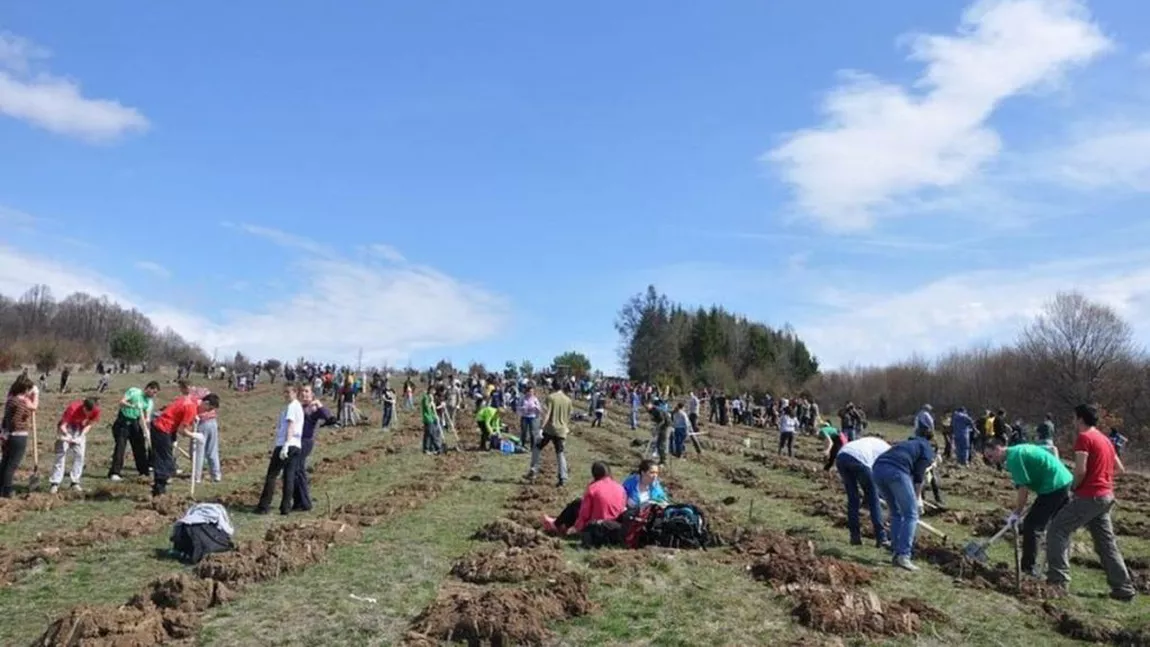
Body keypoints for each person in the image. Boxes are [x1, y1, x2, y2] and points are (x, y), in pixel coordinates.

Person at [1046, 404, 1137, 601]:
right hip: (1106, 497)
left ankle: (1057, 582)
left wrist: (1073, 487)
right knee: (1106, 544)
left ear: (1080, 419)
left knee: (1057, 530)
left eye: (1074, 418)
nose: (1073, 422)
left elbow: (1080, 470)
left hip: (1090, 496)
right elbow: (1120, 469)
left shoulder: (1084, 438)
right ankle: (1123, 588)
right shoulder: (1105, 440)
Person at [983, 438, 1072, 577]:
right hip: (1064, 481)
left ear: (999, 449)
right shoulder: (1019, 448)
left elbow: (1023, 490)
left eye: (991, 456)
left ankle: (1028, 569)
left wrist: (1017, 513)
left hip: (1053, 488)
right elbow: (1052, 449)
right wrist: (1054, 469)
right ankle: (1058, 569)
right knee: (1057, 527)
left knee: (1032, 525)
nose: (991, 460)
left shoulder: (1014, 459)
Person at [872, 429, 935, 571]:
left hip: (878, 469)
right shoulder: (927, 449)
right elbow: (918, 477)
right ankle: (903, 556)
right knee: (911, 514)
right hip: (896, 471)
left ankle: (895, 551)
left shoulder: (908, 443)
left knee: (896, 512)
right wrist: (918, 500)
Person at [257, 384, 305, 515]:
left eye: (288, 392)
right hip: (296, 445)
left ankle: (264, 506)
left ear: (295, 392)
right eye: (284, 392)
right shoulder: (298, 407)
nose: (285, 395)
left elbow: (291, 424)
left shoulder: (292, 407)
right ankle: (285, 508)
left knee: (272, 475)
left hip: (286, 444)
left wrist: (286, 444)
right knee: (289, 476)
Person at [543, 461, 627, 536]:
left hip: (594, 525)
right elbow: (622, 509)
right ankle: (560, 523)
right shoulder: (620, 488)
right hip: (613, 525)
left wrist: (576, 528)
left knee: (576, 504)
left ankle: (556, 524)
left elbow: (584, 513)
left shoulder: (593, 488)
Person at [835, 435, 890, 547]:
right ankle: (881, 538)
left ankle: (855, 537)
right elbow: (881, 475)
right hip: (861, 460)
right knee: (873, 500)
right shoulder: (889, 453)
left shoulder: (876, 443)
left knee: (853, 499)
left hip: (842, 456)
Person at [150, 381, 201, 496]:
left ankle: (161, 484)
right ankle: (159, 489)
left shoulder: (186, 400)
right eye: (207, 410)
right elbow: (181, 431)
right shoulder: (191, 407)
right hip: (162, 428)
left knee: (165, 458)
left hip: (165, 427)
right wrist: (195, 435)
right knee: (164, 459)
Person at [295, 385, 336, 512]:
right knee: (293, 472)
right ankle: (298, 502)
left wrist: (320, 405)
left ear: (312, 394)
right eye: (302, 391)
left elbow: (331, 419)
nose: (304, 394)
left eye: (307, 391)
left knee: (299, 469)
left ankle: (305, 503)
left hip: (306, 441)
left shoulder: (314, 409)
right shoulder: (297, 407)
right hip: (294, 441)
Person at [108, 381, 159, 481]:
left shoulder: (149, 402)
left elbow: (146, 417)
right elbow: (121, 402)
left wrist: (146, 430)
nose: (154, 395)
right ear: (148, 388)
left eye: (156, 393)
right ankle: (115, 473)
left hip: (135, 422)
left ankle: (144, 472)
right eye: (154, 392)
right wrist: (132, 406)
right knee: (120, 447)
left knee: (140, 447)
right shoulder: (134, 392)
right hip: (123, 421)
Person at [49, 397, 101, 493]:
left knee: (80, 455)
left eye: (91, 412)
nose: (89, 414)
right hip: (67, 427)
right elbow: (63, 425)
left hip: (79, 429)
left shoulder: (96, 410)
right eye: (87, 412)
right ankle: (55, 483)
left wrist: (81, 436)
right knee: (61, 454)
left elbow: (89, 424)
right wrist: (67, 436)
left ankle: (75, 482)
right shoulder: (73, 408)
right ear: (84, 408)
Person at [526, 383, 572, 487]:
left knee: (537, 447)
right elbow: (569, 416)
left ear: (553, 387)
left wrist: (541, 428)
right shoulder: (568, 400)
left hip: (549, 429)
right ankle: (563, 477)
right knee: (560, 453)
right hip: (561, 430)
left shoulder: (551, 397)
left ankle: (534, 469)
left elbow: (547, 414)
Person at [0, 375, 38, 497]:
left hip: (8, 435)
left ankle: (1, 488)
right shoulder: (21, 402)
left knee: (5, 463)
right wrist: (36, 394)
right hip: (18, 436)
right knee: (12, 465)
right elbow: (34, 407)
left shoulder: (11, 399)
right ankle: (7, 490)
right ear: (25, 389)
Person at [196, 393, 222, 483]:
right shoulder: (197, 403)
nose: (211, 409)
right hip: (208, 423)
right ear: (206, 403)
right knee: (209, 451)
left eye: (212, 408)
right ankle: (216, 474)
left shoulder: (202, 403)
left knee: (199, 452)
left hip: (206, 424)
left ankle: (197, 477)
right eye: (210, 408)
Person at [645, 399, 672, 465]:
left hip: (666, 426)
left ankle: (663, 461)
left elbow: (662, 421)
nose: (646, 407)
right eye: (645, 406)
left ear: (651, 404)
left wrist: (656, 429)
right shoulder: (650, 411)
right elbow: (656, 420)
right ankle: (661, 459)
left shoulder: (657, 410)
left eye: (647, 405)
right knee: (658, 443)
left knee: (662, 444)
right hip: (661, 426)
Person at [420, 385, 443, 455]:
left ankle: (429, 448)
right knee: (430, 433)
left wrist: (435, 416)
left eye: (435, 391)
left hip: (432, 417)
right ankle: (434, 448)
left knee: (429, 434)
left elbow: (433, 410)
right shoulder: (426, 397)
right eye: (433, 390)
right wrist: (431, 403)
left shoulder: (431, 397)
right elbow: (427, 407)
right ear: (430, 390)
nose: (434, 392)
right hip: (427, 418)